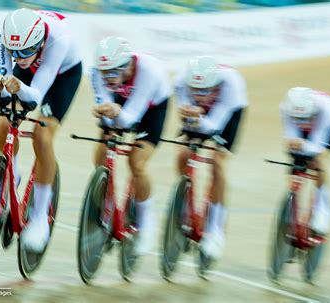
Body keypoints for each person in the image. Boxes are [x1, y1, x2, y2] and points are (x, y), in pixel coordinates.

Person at [0, 8, 82, 253]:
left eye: (26, 51)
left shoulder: (58, 39)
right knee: (4, 120)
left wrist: (16, 87)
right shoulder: (6, 36)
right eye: (14, 52)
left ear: (39, 43)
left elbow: (36, 95)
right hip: (31, 72)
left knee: (42, 136)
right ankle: (13, 172)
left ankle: (40, 216)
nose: (19, 57)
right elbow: (5, 79)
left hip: (63, 75)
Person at [90, 36, 171, 255]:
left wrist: (114, 113)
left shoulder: (148, 72)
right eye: (105, 73)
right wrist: (104, 112)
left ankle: (146, 223)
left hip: (152, 108)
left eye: (114, 72)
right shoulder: (97, 72)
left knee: (136, 163)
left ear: (128, 65)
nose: (108, 78)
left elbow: (131, 117)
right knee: (101, 151)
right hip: (123, 103)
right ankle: (106, 204)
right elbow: (106, 108)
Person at [174, 56, 247, 260]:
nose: (199, 96)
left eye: (204, 90)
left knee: (217, 161)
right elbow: (187, 116)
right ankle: (186, 200)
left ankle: (216, 228)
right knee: (183, 152)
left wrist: (197, 117)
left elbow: (213, 127)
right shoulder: (180, 82)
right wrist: (191, 115)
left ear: (215, 86)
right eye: (195, 90)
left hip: (227, 113)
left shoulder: (231, 87)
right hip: (199, 114)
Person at [280, 87, 330, 235]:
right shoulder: (285, 109)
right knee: (295, 159)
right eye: (298, 119)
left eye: (305, 119)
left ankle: (323, 207)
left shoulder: (327, 110)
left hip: (329, 127)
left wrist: (304, 145)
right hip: (307, 123)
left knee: (317, 162)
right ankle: (291, 203)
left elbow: (316, 147)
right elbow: (290, 137)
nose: (302, 123)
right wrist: (294, 145)